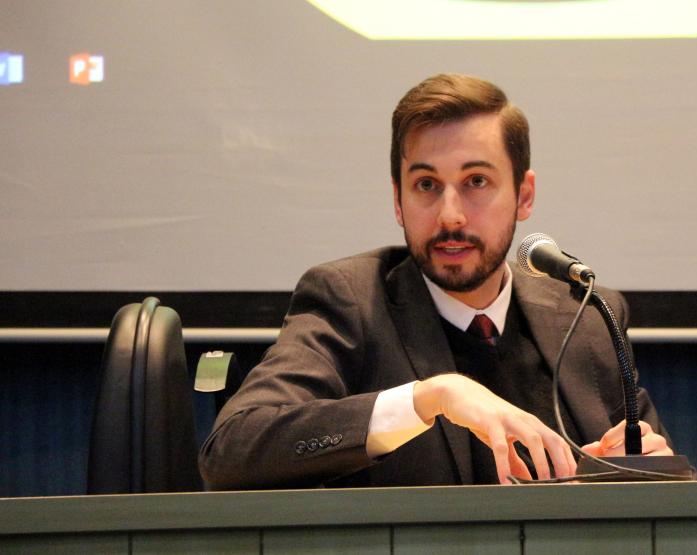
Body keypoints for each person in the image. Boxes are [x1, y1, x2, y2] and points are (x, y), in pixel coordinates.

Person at [199, 73, 672, 489]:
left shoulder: (585, 314)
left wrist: (650, 472)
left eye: (476, 182)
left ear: (524, 196)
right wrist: (431, 397)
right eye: (426, 185)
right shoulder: (350, 301)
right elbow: (232, 451)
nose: (450, 216)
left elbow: (661, 487)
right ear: (398, 201)